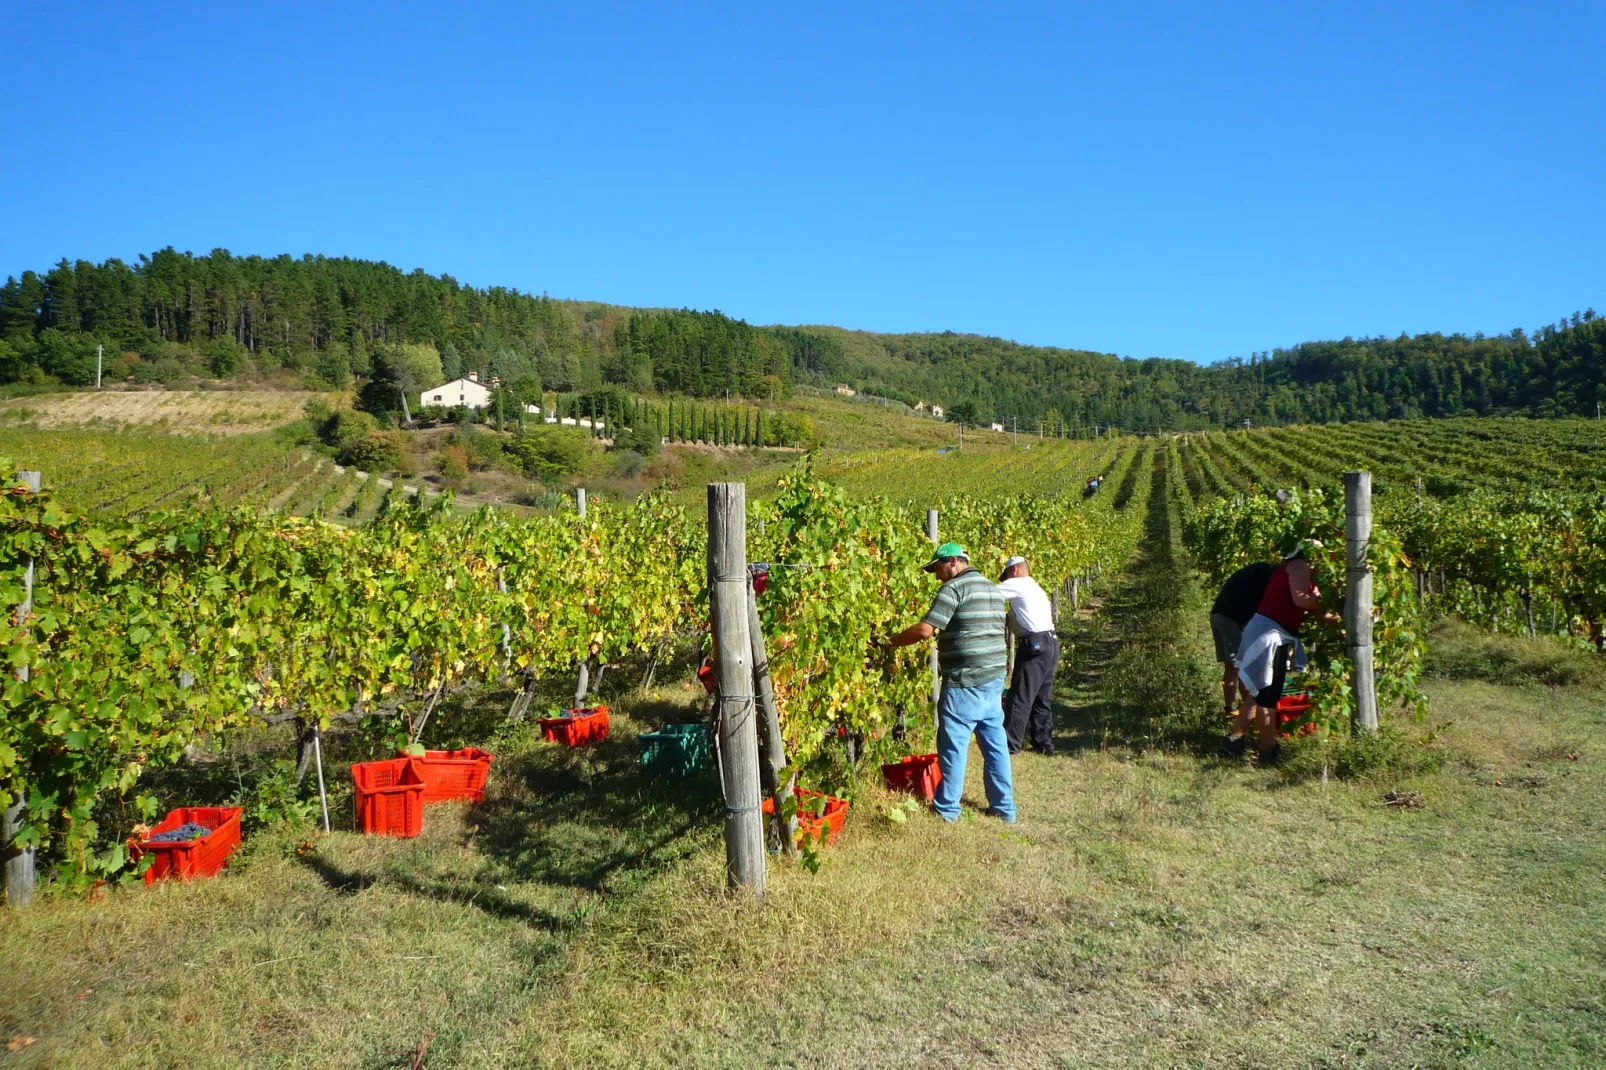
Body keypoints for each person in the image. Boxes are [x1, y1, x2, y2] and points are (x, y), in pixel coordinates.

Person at [877, 541, 1015, 822]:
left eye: (937, 568)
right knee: (995, 744)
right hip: (993, 677)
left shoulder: (954, 589)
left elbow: (926, 630)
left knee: (953, 746)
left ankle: (947, 810)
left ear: (953, 561)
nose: (936, 575)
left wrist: (889, 642)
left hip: (966, 680)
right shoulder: (990, 586)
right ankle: (1004, 808)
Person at [1228, 539, 1341, 765]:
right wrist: (1334, 600)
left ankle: (1233, 741)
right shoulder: (1299, 565)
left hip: (1272, 633)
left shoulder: (1305, 575)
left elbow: (1319, 611)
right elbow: (1301, 600)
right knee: (1267, 695)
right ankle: (1267, 752)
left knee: (1261, 693)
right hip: (1269, 635)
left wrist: (1346, 617)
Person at [997, 555, 1060, 755]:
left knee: (1020, 696)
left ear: (1014, 570)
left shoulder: (1018, 584)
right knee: (1042, 697)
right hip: (1050, 643)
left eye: (1006, 575)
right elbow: (1023, 618)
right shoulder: (1036, 589)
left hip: (1034, 645)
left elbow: (987, 594)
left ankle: (1010, 744)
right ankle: (1043, 744)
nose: (1006, 580)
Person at [1209, 559, 1279, 728]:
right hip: (1230, 619)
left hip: (1218, 615)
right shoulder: (1262, 585)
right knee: (1240, 666)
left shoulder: (1258, 570)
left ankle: (1232, 709)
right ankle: (1243, 711)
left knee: (1232, 666)